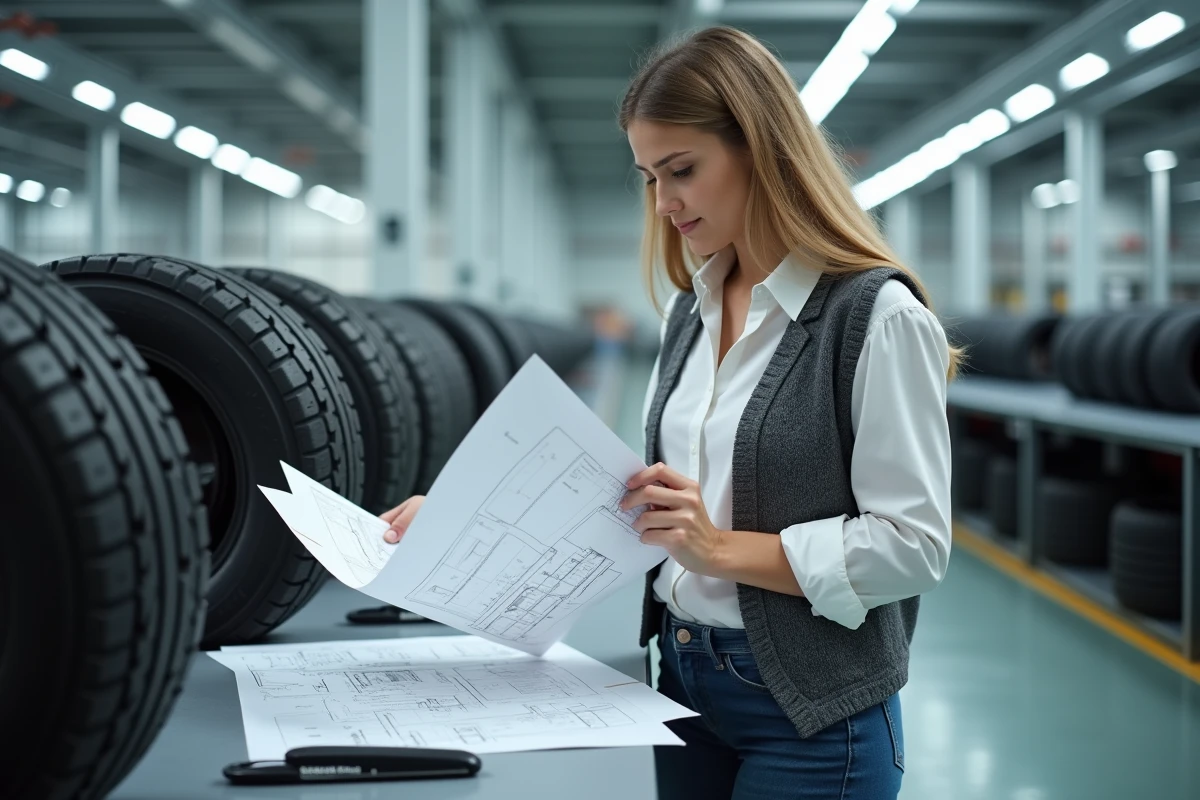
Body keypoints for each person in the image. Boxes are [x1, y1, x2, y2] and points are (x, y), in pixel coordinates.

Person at [380, 24, 958, 800]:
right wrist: (463, 524)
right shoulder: (691, 310)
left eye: (681, 170)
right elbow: (653, 505)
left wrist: (719, 549)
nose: (664, 203)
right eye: (649, 177)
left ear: (761, 148)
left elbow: (913, 547)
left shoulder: (874, 316)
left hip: (814, 717)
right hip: (681, 684)